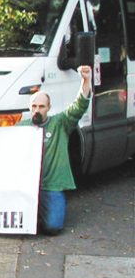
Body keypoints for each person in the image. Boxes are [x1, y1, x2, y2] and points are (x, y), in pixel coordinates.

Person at [19, 65, 92, 235]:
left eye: (42, 106)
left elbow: (79, 106)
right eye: (34, 106)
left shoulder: (60, 124)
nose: (37, 110)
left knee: (53, 226)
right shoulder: (20, 127)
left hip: (51, 185)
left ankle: (43, 212)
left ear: (49, 108)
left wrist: (85, 80)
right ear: (30, 108)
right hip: (27, 186)